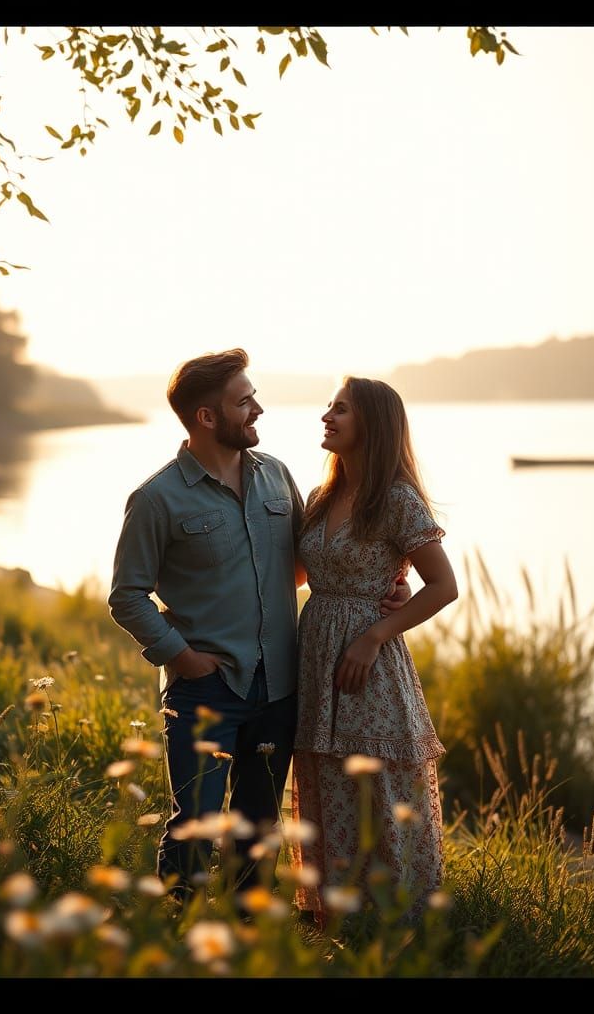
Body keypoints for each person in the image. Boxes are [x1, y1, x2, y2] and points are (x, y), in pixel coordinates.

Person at [108, 350, 407, 900]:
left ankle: (249, 927)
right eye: (244, 402)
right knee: (194, 822)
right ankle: (183, 928)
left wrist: (388, 580)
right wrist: (182, 657)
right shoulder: (156, 499)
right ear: (207, 417)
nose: (258, 409)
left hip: (281, 688)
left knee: (261, 825)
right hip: (204, 689)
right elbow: (127, 596)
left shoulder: (277, 477)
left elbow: (310, 560)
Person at [289, 376, 458, 924]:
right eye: (329, 407)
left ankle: (398, 916)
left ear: (373, 425)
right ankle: (337, 914)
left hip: (370, 662)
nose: (327, 416)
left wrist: (373, 635)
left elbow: (444, 586)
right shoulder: (320, 498)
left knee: (377, 784)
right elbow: (297, 575)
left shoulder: (396, 500)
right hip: (317, 654)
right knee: (327, 777)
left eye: (341, 409)